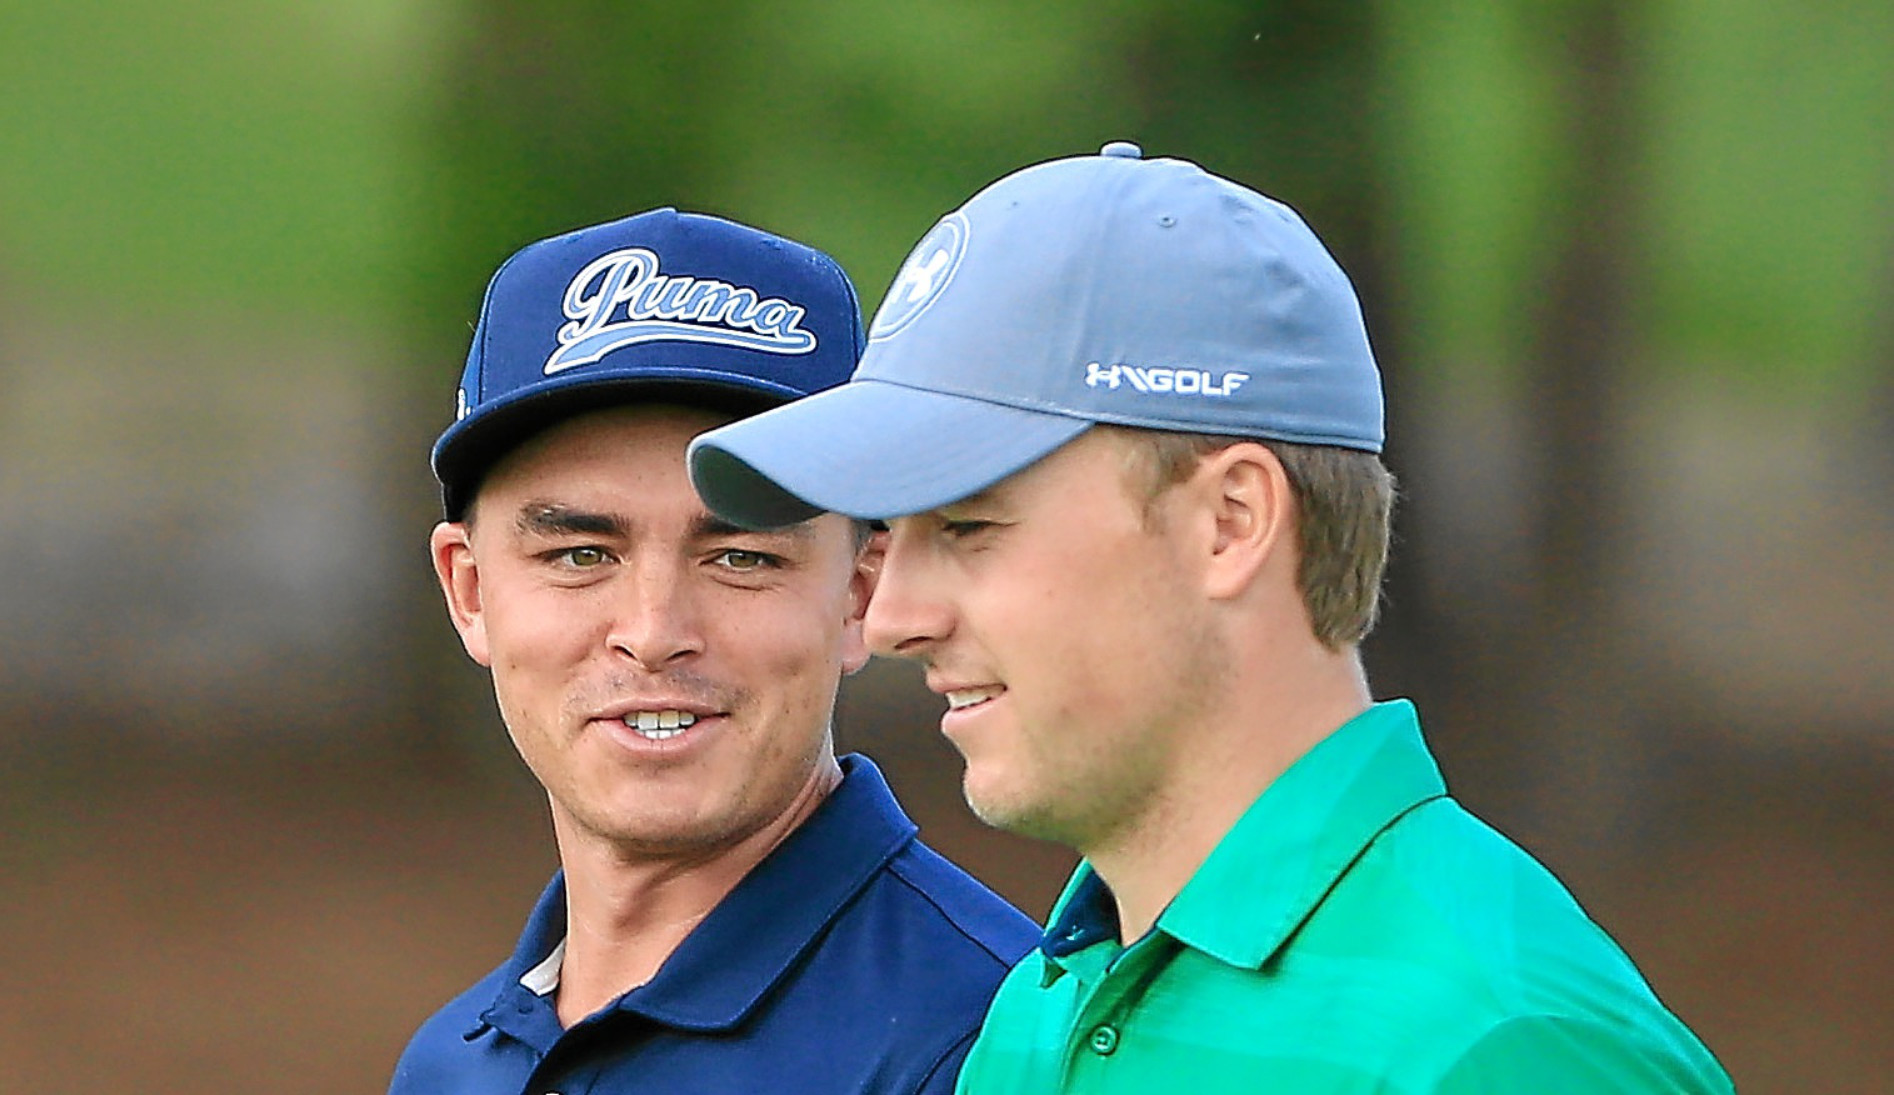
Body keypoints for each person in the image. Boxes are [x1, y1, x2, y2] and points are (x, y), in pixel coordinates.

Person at [686, 143, 1737, 1092]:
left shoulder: (1498, 1044)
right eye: (892, 531)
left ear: (1229, 523)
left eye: (967, 527)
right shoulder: (1039, 1009)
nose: (898, 616)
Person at [388, 207, 1038, 1094]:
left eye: (741, 557)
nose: (654, 632)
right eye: (581, 555)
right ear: (470, 592)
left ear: (861, 594)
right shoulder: (452, 1066)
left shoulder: (996, 1049)